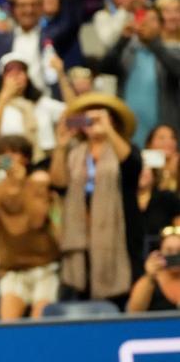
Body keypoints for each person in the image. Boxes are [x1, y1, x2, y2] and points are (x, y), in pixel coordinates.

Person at [49, 93, 143, 307]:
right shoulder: (75, 153)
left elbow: (131, 166)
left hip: (121, 235)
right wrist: (61, 146)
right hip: (81, 238)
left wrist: (108, 129)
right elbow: (59, 183)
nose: (93, 122)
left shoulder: (124, 149)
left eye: (99, 117)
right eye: (87, 118)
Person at [0, 135, 61, 320]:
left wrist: (21, 182)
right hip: (12, 271)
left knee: (41, 323)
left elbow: (36, 221)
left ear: (25, 158)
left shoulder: (38, 182)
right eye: (2, 154)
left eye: (13, 153)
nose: (7, 158)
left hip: (44, 268)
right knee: (9, 324)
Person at [97, 6, 180, 147]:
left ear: (161, 25)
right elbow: (104, 68)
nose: (146, 23)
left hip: (161, 134)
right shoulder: (128, 53)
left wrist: (153, 42)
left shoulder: (173, 51)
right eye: (143, 19)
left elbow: (176, 70)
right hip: (128, 130)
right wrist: (122, 39)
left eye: (152, 19)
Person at [0, 52, 69, 163]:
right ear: (2, 78)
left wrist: (61, 75)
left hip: (42, 160)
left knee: (40, 179)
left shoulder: (41, 103)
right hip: (6, 162)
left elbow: (75, 112)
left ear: (27, 76)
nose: (16, 76)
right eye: (10, 72)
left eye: (20, 71)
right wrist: (4, 98)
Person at [127, 226, 180, 312]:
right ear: (160, 252)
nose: (174, 254)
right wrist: (149, 276)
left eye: (179, 251)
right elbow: (134, 312)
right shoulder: (151, 278)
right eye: (169, 250)